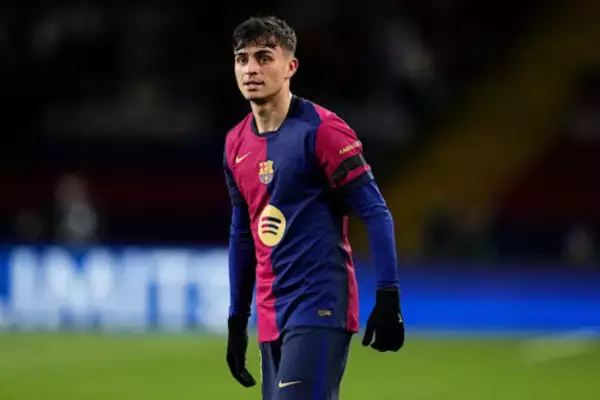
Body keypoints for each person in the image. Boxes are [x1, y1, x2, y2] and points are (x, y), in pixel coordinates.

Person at [223, 16, 405, 400]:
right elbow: (242, 234)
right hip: (271, 312)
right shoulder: (235, 143)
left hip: (320, 302)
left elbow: (375, 212)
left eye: (264, 57)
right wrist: (237, 320)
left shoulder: (323, 130)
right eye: (242, 59)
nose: (251, 69)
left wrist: (388, 295)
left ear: (290, 66)